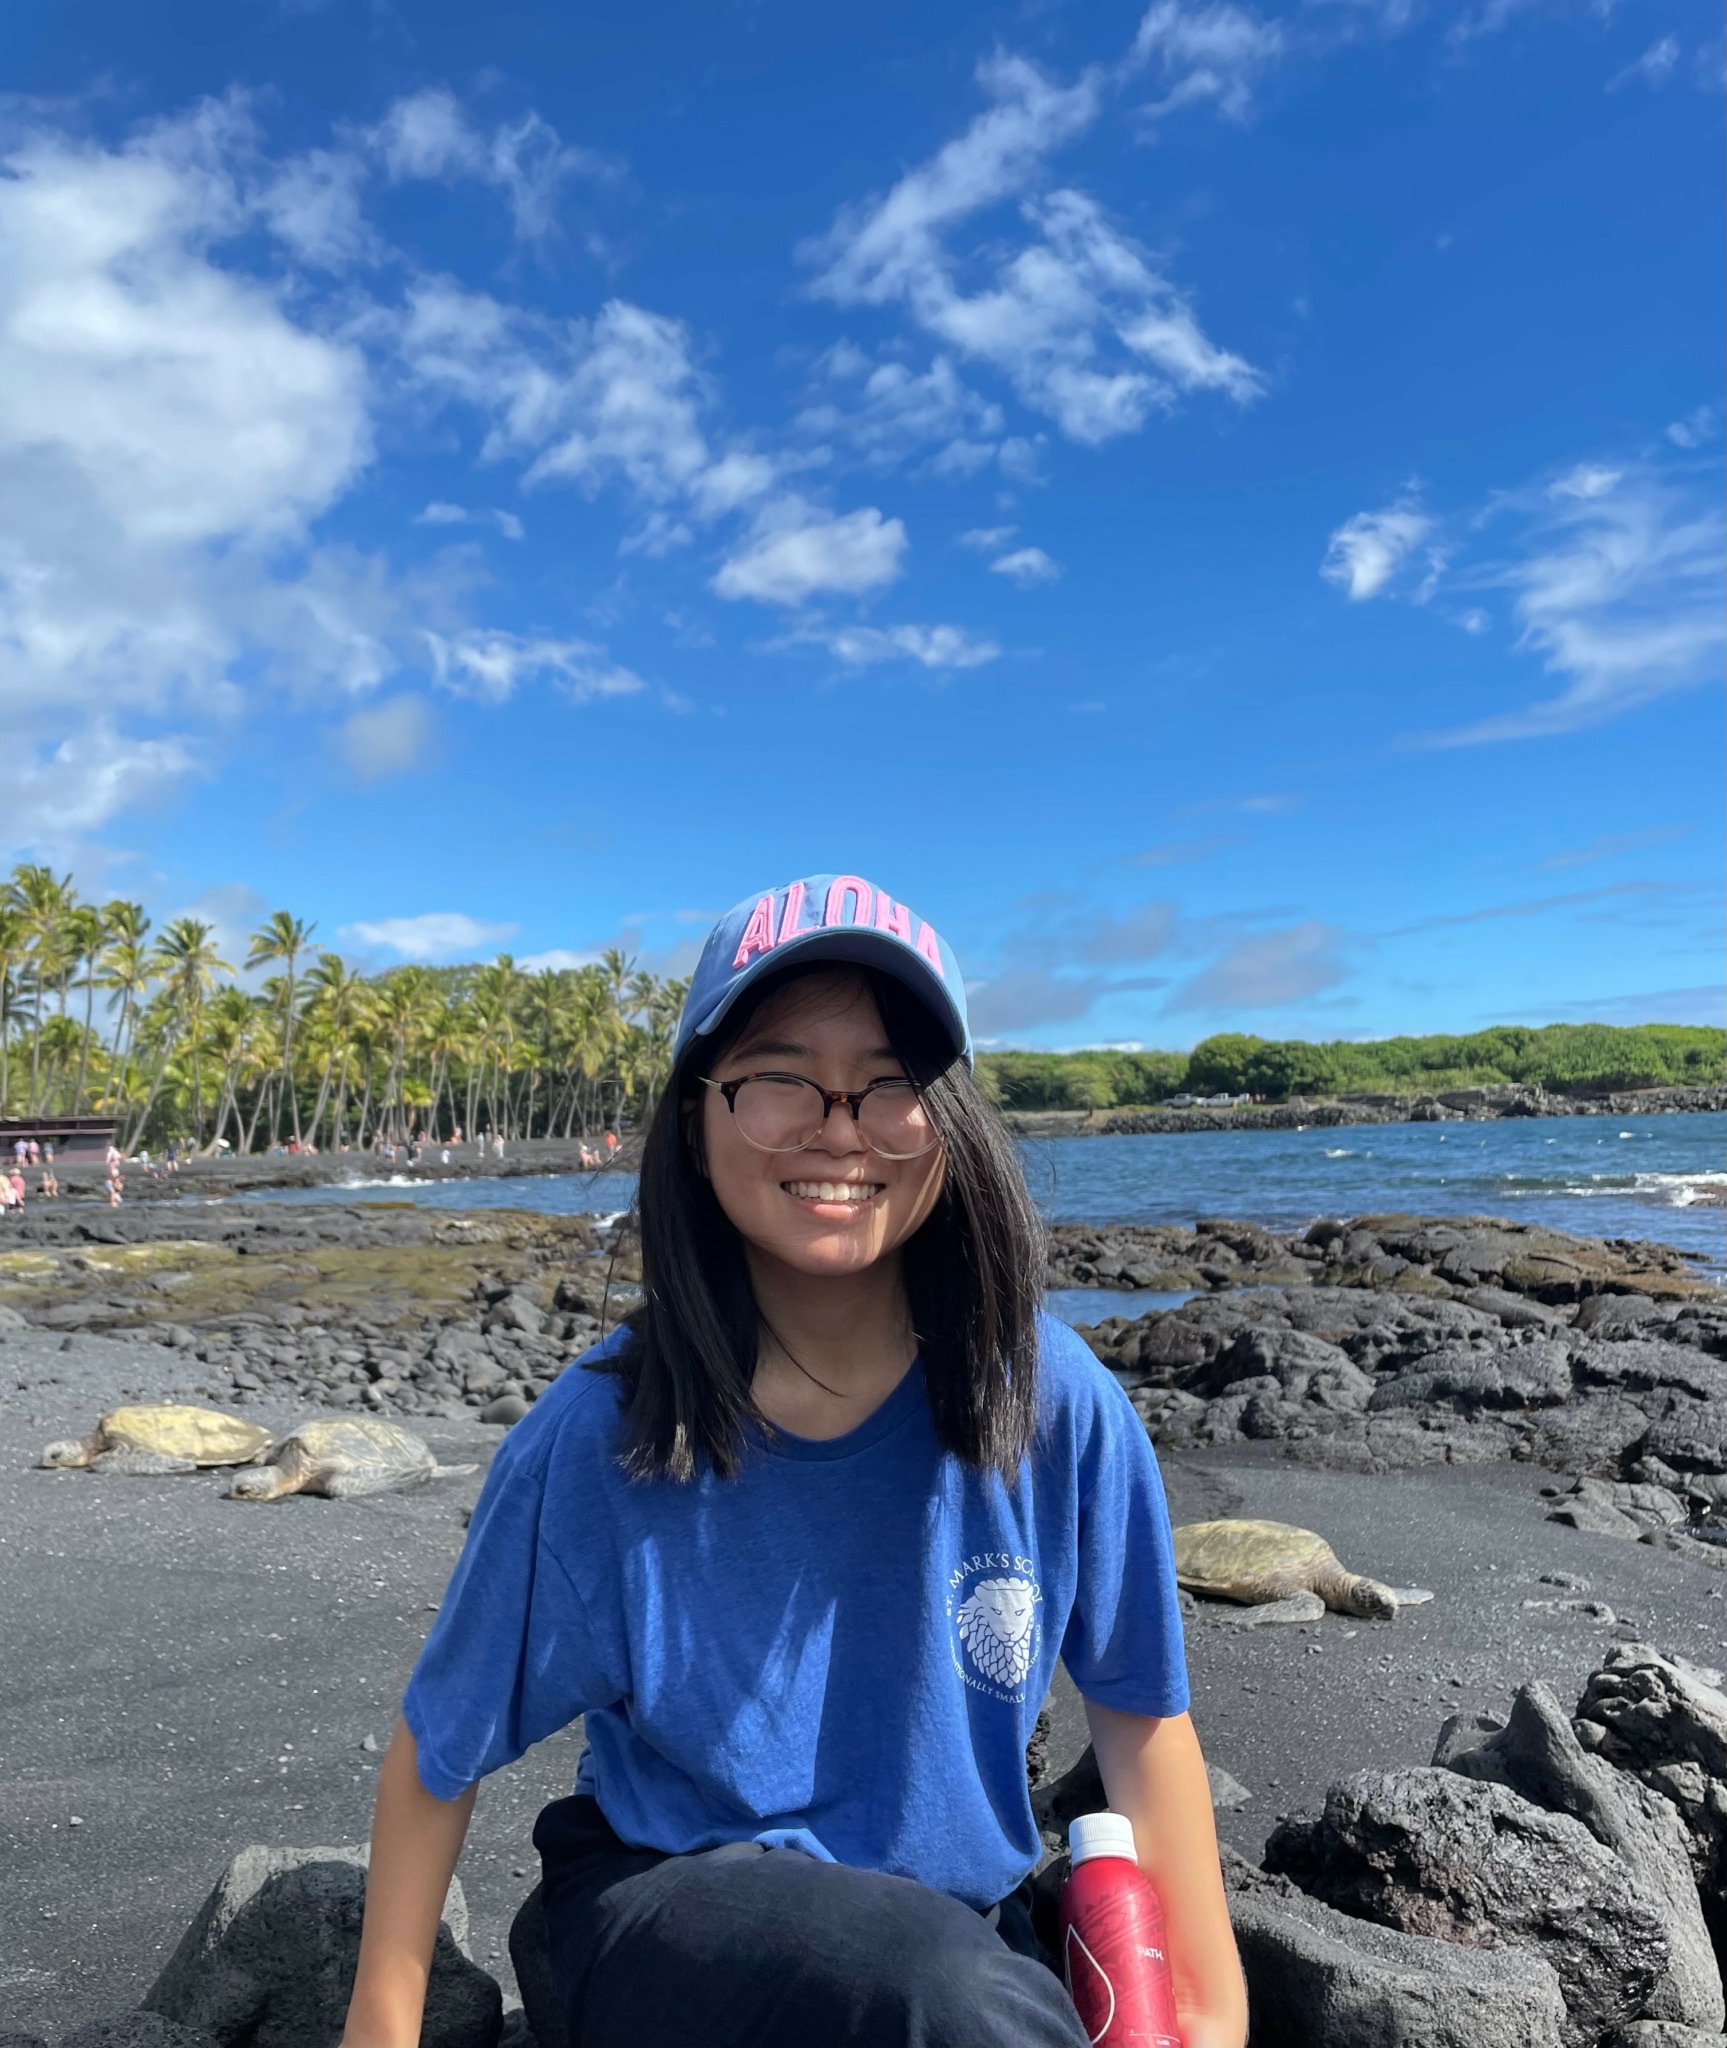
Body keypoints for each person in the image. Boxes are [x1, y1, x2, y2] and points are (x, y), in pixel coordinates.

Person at [340, 874, 1246, 2048]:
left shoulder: (1048, 1400)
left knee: (959, 1982)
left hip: (951, 1929)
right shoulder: (602, 1432)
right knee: (944, 1993)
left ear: (950, 1120)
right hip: (662, 1902)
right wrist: (381, 2024)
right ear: (694, 1115)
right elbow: (438, 1741)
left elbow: (1140, 1723)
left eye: (890, 1082)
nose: (839, 1125)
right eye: (778, 1077)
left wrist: (1209, 2012)